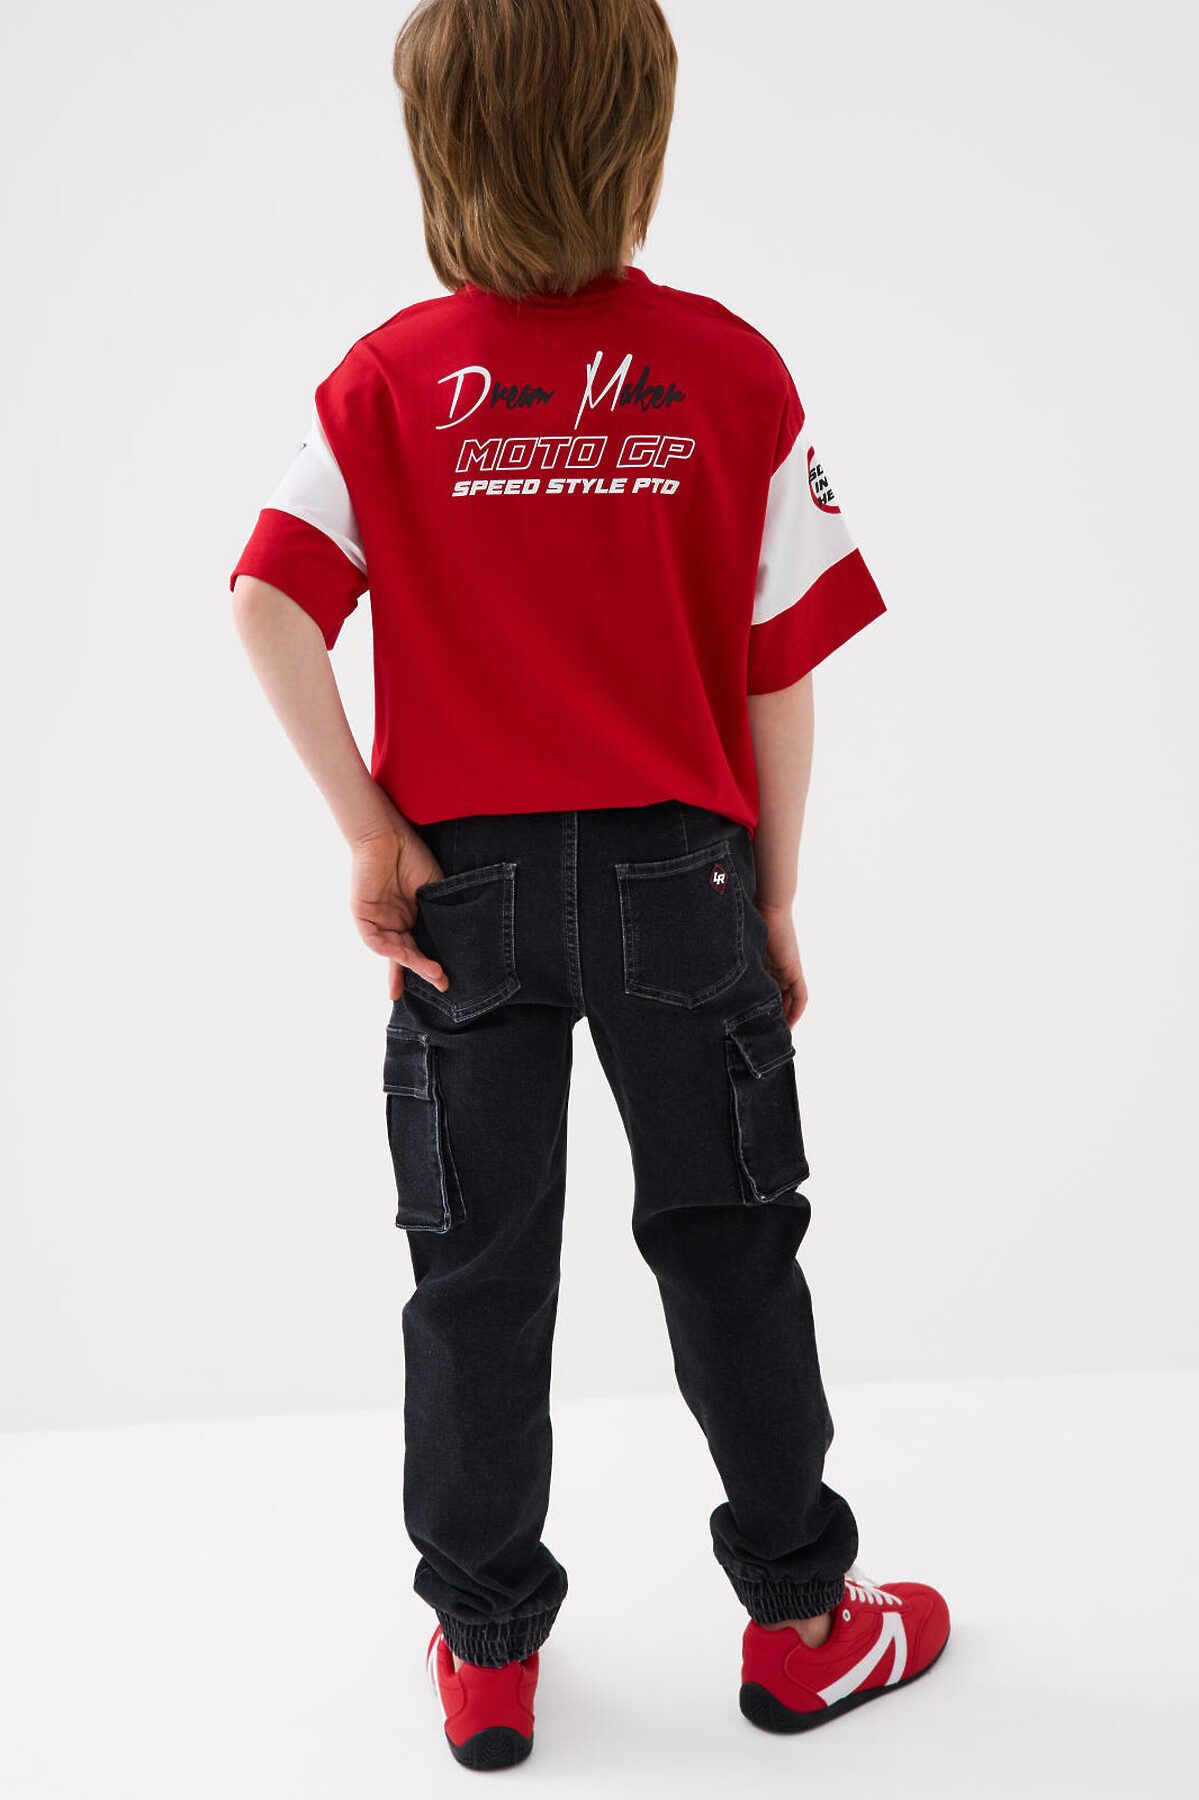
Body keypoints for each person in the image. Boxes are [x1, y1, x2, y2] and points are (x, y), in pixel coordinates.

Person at [229, 0, 950, 1771]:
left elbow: (267, 598)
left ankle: (486, 1654)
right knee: (729, 1245)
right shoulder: (731, 372)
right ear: (641, 143)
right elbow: (781, 670)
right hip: (677, 878)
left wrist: (371, 829)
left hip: (462, 890)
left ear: (438, 145)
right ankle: (805, 1626)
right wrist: (771, 894)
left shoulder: (390, 381)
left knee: (475, 1272)